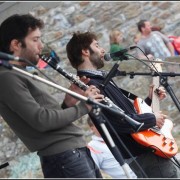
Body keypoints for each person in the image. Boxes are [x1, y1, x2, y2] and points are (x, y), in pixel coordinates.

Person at [0, 14, 105, 178]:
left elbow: (46, 118)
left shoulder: (19, 73)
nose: (41, 46)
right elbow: (41, 120)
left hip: (71, 153)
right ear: (15, 44)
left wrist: (68, 104)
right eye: (35, 40)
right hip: (64, 157)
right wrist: (85, 106)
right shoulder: (7, 78)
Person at [66, 31, 180, 178]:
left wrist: (149, 100)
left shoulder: (100, 79)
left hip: (145, 148)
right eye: (97, 45)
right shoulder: (91, 86)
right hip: (141, 152)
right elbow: (117, 122)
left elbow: (126, 113)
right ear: (85, 51)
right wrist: (152, 119)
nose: (103, 50)